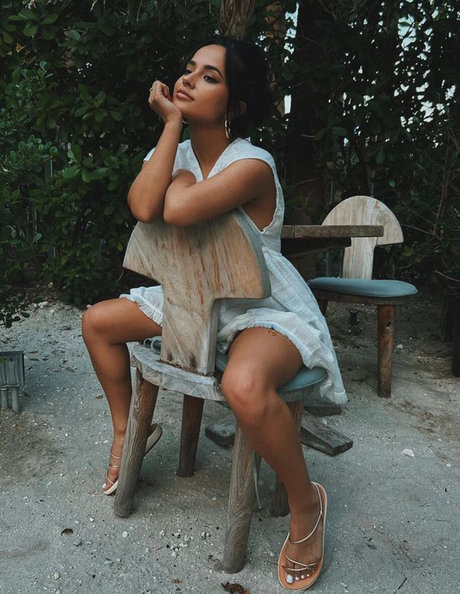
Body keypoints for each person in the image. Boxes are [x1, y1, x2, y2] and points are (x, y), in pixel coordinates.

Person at [82, 36, 347, 591]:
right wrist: (171, 131)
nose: (188, 79)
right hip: (191, 296)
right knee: (97, 323)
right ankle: (129, 432)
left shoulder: (253, 164)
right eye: (188, 69)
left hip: (260, 305)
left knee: (244, 386)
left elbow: (176, 208)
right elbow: (143, 206)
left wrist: (178, 172)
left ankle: (307, 505)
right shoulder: (173, 150)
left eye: (210, 76)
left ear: (236, 102)